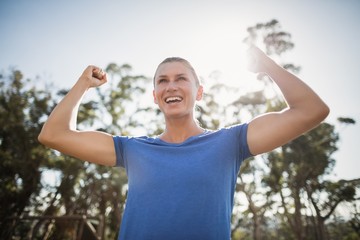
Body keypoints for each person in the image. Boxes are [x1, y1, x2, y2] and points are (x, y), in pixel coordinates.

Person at [38, 46, 329, 239]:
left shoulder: (230, 142)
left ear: (199, 92)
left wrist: (266, 65)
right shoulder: (132, 149)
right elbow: (53, 135)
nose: (171, 86)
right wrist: (83, 85)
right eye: (162, 81)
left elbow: (311, 111)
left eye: (181, 79)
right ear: (155, 96)